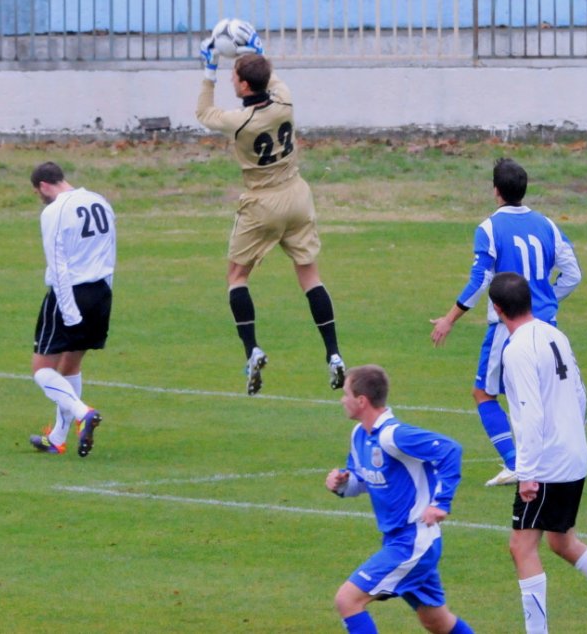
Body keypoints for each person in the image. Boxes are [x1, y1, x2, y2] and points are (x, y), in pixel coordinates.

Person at [488, 272, 587, 634]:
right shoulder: (554, 334)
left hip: (546, 463)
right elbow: (579, 393)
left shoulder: (516, 350)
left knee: (522, 547)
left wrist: (527, 472)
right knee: (561, 540)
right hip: (573, 455)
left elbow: (530, 413)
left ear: (498, 309)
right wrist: (572, 434)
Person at [196, 33, 345, 395]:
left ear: (245, 86)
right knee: (310, 276)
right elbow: (272, 77)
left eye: (235, 76)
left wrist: (209, 70)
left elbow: (203, 114)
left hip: (263, 203)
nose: (232, 79)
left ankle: (252, 350)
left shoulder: (240, 121)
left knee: (237, 276)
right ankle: (334, 354)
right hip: (297, 196)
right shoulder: (285, 100)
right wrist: (257, 51)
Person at [430, 158, 581, 487]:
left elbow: (480, 281)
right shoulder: (547, 224)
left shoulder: (489, 228)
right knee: (544, 394)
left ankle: (516, 464)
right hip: (548, 327)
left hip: (508, 328)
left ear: (495, 190)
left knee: (484, 393)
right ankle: (549, 461)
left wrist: (449, 319)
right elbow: (573, 274)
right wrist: (546, 299)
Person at [325, 365, 474, 634]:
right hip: (396, 539)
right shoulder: (359, 434)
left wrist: (441, 503)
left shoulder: (393, 435)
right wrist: (342, 483)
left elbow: (450, 450)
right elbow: (362, 479)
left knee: (347, 600)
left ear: (362, 400)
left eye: (346, 394)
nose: (342, 399)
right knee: (436, 621)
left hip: (414, 541)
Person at [27, 162, 115, 458]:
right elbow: (110, 250)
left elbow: (57, 263)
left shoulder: (54, 211)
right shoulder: (99, 201)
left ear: (43, 186)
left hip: (71, 294)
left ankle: (83, 413)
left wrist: (68, 310)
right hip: (100, 292)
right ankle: (57, 438)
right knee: (71, 365)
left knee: (42, 369)